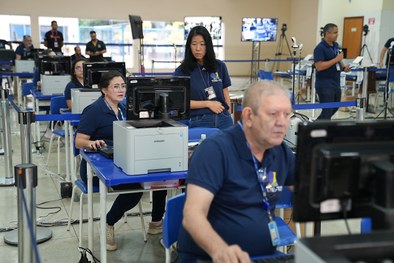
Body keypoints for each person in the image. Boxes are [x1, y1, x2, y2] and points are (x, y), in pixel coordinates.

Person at [178, 80, 295, 263]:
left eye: (287, 115)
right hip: (210, 257)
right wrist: (219, 250)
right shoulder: (215, 150)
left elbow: (309, 190)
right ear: (248, 116)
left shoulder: (280, 151)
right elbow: (193, 214)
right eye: (273, 114)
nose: (282, 123)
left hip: (264, 257)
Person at [75, 71, 165, 251]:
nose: (121, 89)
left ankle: (156, 224)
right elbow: (79, 141)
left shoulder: (124, 109)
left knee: (160, 178)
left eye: (123, 86)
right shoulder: (94, 110)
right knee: (135, 190)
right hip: (97, 165)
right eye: (116, 86)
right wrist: (93, 142)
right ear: (104, 90)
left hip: (122, 159)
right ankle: (108, 223)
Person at [174, 25, 233, 129]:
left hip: (224, 119)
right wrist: (207, 104)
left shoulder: (220, 66)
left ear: (208, 46)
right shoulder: (182, 71)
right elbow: (181, 102)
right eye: (194, 44)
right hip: (199, 120)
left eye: (202, 44)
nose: (198, 48)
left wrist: (228, 114)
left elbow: (226, 94)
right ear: (189, 46)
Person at [313, 23, 350, 120]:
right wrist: (336, 59)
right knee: (327, 110)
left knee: (335, 107)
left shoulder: (336, 45)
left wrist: (344, 67)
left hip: (336, 82)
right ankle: (318, 130)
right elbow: (319, 66)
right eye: (335, 33)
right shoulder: (320, 48)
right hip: (325, 84)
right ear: (327, 33)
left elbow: (338, 59)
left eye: (337, 32)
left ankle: (314, 127)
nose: (337, 35)